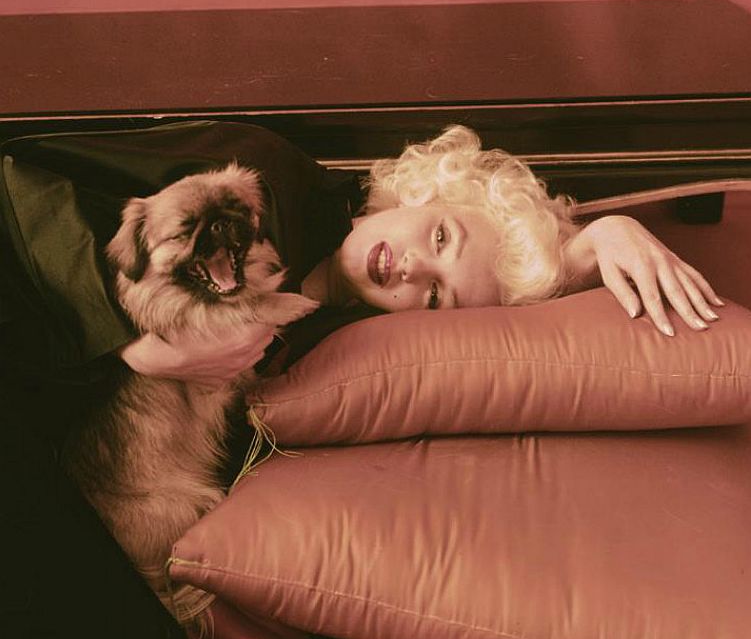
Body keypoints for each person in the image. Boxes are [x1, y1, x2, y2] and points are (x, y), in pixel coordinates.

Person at [120, 125, 723, 387]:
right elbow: (62, 204)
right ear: (424, 193)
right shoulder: (264, 171)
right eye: (440, 238)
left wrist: (598, 241)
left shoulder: (336, 351)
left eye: (434, 296)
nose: (411, 269)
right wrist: (138, 356)